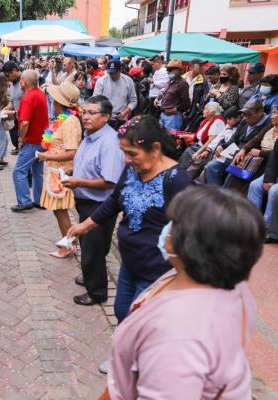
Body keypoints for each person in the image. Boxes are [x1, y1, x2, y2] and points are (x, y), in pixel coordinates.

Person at [106, 185, 264, 399]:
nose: (166, 228)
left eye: (173, 223)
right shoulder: (229, 285)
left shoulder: (178, 335)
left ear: (192, 243)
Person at [68, 116, 191, 322]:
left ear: (155, 149)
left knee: (137, 323)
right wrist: (85, 226)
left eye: (132, 153)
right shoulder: (133, 169)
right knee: (122, 311)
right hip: (131, 263)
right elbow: (115, 199)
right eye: (124, 152)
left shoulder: (177, 181)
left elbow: (196, 230)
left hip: (157, 272)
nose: (126, 159)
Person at [61, 96, 125, 306]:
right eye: (84, 112)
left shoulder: (109, 142)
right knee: (92, 245)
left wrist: (79, 181)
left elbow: (110, 180)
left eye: (91, 113)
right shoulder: (91, 135)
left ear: (106, 117)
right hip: (86, 200)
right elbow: (91, 164)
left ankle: (97, 292)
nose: (85, 117)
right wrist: (73, 171)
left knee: (93, 247)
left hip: (99, 204)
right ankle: (91, 276)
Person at [36, 81, 82, 258]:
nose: (51, 103)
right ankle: (69, 242)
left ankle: (69, 245)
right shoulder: (64, 119)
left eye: (54, 100)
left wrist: (46, 156)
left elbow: (71, 152)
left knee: (61, 211)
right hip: (55, 173)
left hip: (62, 174)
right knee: (59, 211)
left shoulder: (70, 121)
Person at [205, 99, 271, 186]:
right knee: (211, 166)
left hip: (249, 159)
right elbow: (234, 138)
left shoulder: (267, 123)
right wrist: (222, 146)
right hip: (234, 154)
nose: (246, 117)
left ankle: (222, 196)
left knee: (232, 175)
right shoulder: (244, 121)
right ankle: (215, 193)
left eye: (249, 114)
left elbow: (256, 141)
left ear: (260, 112)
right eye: (244, 114)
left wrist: (243, 150)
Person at [11, 70, 49, 212]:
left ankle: (24, 201)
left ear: (23, 81)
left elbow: (25, 122)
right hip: (42, 139)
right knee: (37, 171)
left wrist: (21, 138)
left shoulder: (28, 97)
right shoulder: (40, 93)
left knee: (19, 171)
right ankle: (39, 200)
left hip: (32, 140)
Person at [178, 102, 225, 169]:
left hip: (206, 151)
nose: (203, 111)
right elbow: (199, 136)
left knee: (188, 155)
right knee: (184, 154)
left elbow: (210, 141)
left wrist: (197, 152)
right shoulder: (205, 121)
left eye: (205, 109)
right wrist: (187, 136)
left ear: (212, 112)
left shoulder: (218, 121)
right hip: (197, 146)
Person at [93, 60, 137, 130]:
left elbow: (133, 100)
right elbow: (96, 100)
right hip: (104, 117)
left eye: (115, 73)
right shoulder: (101, 81)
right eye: (110, 73)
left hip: (122, 117)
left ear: (120, 70)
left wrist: (125, 112)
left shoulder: (128, 81)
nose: (112, 75)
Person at [156, 59, 190, 131]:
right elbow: (165, 92)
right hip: (163, 114)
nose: (168, 72)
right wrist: (158, 98)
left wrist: (177, 109)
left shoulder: (182, 83)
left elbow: (186, 102)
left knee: (171, 139)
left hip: (173, 117)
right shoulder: (170, 81)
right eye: (167, 69)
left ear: (178, 70)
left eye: (171, 70)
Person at [2, 61, 23, 155]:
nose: (8, 79)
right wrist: (4, 110)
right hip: (17, 119)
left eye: (8, 76)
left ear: (14, 71)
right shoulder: (13, 84)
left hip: (25, 121)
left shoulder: (25, 82)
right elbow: (13, 101)